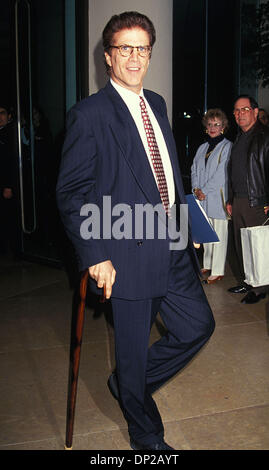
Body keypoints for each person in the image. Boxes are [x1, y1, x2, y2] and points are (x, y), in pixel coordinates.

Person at [56, 11, 215, 450]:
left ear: (149, 54)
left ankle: (128, 383)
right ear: (108, 57)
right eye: (124, 48)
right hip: (125, 254)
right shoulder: (89, 115)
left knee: (198, 326)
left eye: (142, 48)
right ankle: (146, 437)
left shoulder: (158, 104)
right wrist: (94, 254)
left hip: (173, 246)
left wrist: (189, 224)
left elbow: (167, 173)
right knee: (131, 350)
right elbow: (71, 193)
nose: (134, 57)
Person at [226, 95, 269, 304]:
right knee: (242, 246)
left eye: (244, 109)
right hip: (239, 200)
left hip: (258, 201)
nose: (239, 114)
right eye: (236, 111)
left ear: (255, 111)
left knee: (257, 246)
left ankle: (260, 288)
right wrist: (230, 198)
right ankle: (248, 280)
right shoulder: (239, 137)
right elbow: (233, 171)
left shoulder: (264, 136)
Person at [191, 109, 232, 284]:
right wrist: (195, 189)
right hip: (201, 197)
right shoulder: (202, 147)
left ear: (223, 127)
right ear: (206, 127)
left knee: (219, 234)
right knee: (206, 233)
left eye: (217, 124)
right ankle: (207, 264)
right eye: (210, 124)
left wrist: (204, 190)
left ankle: (218, 270)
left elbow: (222, 173)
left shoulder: (228, 146)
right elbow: (194, 169)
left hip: (218, 197)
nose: (213, 127)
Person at [0, 103, 20, 256]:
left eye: (2, 113)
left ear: (9, 116)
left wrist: (8, 186)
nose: (0, 117)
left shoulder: (12, 135)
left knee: (10, 218)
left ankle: (14, 249)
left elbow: (12, 162)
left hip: (8, 185)